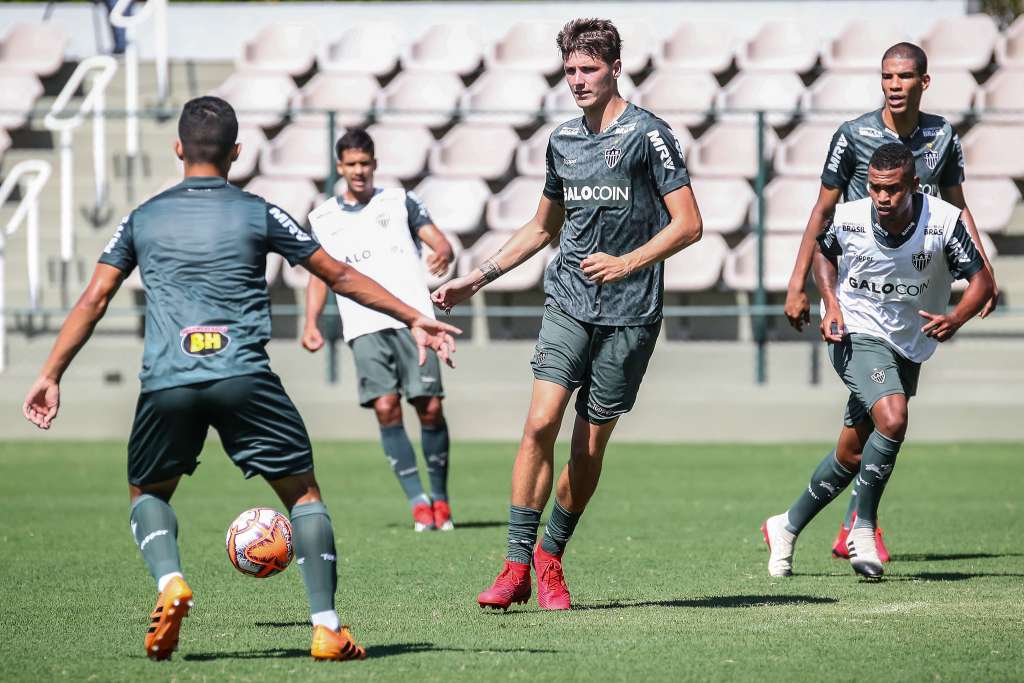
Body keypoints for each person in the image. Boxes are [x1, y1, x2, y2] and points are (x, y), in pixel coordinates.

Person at [21, 96, 459, 661]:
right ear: (236, 153)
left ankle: (170, 582)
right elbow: (339, 274)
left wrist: (50, 373)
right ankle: (326, 627)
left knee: (148, 492)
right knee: (302, 495)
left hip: (168, 379)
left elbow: (95, 296)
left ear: (178, 149)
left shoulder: (143, 216)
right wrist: (414, 315)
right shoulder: (261, 212)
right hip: (244, 375)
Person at [433, 18, 703, 610]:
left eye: (589, 69)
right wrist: (476, 280)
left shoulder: (648, 136)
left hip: (632, 313)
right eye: (571, 70)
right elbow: (541, 229)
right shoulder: (563, 141)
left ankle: (550, 555)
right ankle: (513, 566)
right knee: (539, 423)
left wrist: (628, 262)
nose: (578, 80)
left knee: (587, 446)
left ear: (614, 70)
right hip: (569, 303)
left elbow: (690, 224)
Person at [781, 42, 999, 559]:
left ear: (924, 82)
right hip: (860, 299)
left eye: (904, 77)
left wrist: (983, 271)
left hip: (907, 305)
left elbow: (955, 204)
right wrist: (798, 285)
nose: (895, 86)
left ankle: (790, 525)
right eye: (887, 77)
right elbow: (823, 213)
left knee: (857, 439)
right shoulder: (853, 135)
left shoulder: (941, 136)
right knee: (890, 417)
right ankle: (861, 527)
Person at [302, 128, 457, 532]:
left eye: (365, 164)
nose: (358, 171)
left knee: (430, 406)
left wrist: (443, 251)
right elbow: (320, 276)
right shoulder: (322, 218)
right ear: (340, 167)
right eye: (351, 164)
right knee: (386, 408)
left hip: (414, 321)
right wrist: (311, 322)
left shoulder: (399, 200)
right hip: (364, 325)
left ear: (375, 165)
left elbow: (438, 241)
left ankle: (440, 496)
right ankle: (418, 503)